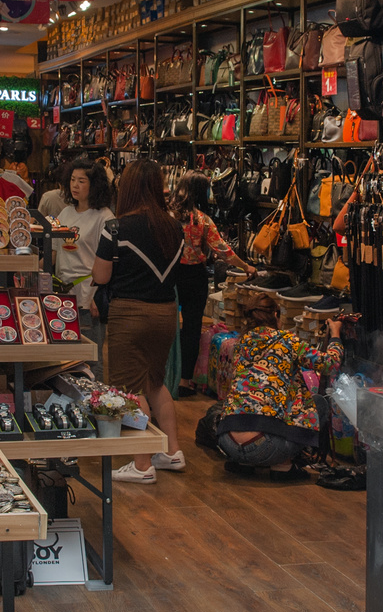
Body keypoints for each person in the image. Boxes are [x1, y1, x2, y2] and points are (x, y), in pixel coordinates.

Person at [92, 161, 184, 482]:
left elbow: (100, 275)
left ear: (127, 188)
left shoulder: (116, 228)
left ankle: (142, 464)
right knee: (156, 383)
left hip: (129, 313)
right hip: (166, 312)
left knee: (130, 390)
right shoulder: (174, 227)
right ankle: (172, 452)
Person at [215, 294, 344, 476]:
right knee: (318, 403)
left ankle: (242, 462)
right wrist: (336, 335)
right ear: (276, 314)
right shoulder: (287, 341)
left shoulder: (240, 343)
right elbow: (330, 364)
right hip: (267, 446)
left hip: (228, 442)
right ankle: (283, 465)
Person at [171, 171, 250, 397]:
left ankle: (166, 377)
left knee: (168, 325)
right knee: (192, 328)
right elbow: (223, 251)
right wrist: (247, 267)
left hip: (169, 274)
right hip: (194, 276)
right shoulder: (203, 220)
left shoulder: (168, 215)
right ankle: (185, 381)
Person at [52, 159, 114, 378]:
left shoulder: (104, 217)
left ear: (94, 185)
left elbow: (108, 261)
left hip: (89, 295)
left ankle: (95, 405)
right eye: (72, 180)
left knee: (91, 356)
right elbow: (54, 253)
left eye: (81, 181)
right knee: (65, 356)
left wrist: (98, 294)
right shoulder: (66, 214)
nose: (75, 186)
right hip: (61, 295)